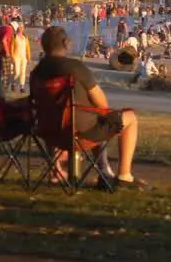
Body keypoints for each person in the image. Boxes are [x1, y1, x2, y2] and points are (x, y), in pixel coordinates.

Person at [29, 26, 146, 189]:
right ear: (65, 43)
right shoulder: (75, 68)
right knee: (127, 118)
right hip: (80, 134)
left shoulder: (36, 73)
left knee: (94, 118)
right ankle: (124, 175)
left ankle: (70, 169)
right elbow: (102, 103)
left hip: (50, 134)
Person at [10, 22, 31, 94]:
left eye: (22, 28)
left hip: (24, 56)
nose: (21, 29)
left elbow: (27, 48)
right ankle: (13, 83)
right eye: (19, 28)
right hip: (16, 56)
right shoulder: (14, 36)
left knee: (23, 72)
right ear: (17, 28)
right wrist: (12, 56)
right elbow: (11, 47)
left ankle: (22, 87)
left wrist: (28, 57)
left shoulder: (25, 37)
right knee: (17, 71)